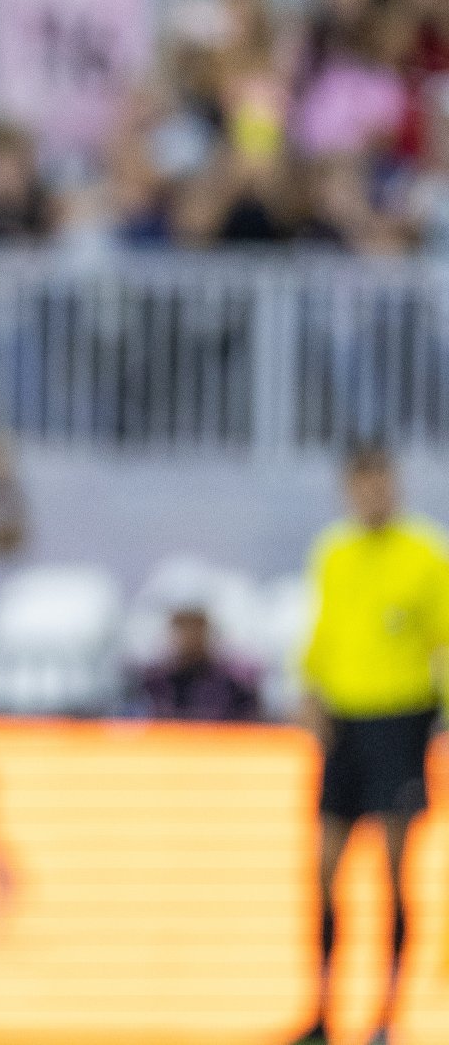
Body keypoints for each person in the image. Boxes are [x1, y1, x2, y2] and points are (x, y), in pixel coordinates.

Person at [293, 444, 449, 1045]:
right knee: (325, 868)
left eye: (381, 481)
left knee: (392, 870)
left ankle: (387, 1015)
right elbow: (322, 636)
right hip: (346, 724)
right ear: (349, 488)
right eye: (362, 483)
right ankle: (325, 1011)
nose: (373, 493)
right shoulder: (334, 554)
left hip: (401, 721)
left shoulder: (425, 554)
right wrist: (310, 693)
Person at [131, 604, 262, 723]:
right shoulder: (153, 684)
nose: (189, 636)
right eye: (182, 628)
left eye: (195, 628)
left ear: (207, 633)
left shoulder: (233, 687)